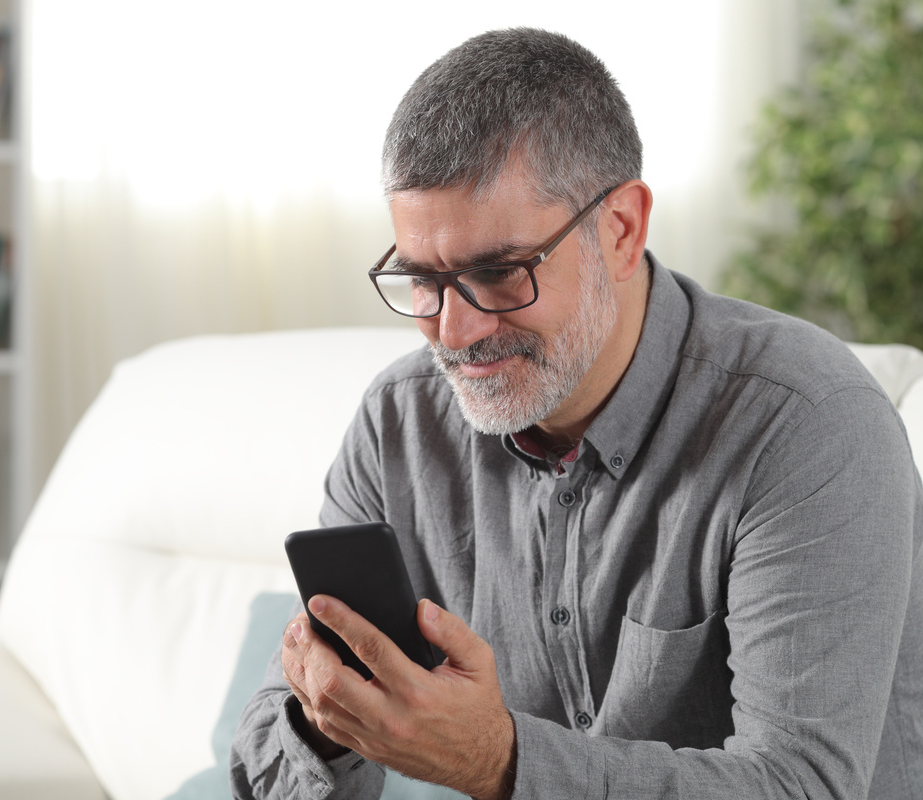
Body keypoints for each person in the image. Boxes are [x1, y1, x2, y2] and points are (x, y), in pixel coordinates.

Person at [230, 27, 923, 800]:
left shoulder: (807, 424)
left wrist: (498, 761)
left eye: (498, 272)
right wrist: (328, 721)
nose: (454, 334)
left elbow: (804, 787)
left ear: (621, 230)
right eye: (421, 280)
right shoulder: (399, 426)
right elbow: (265, 761)